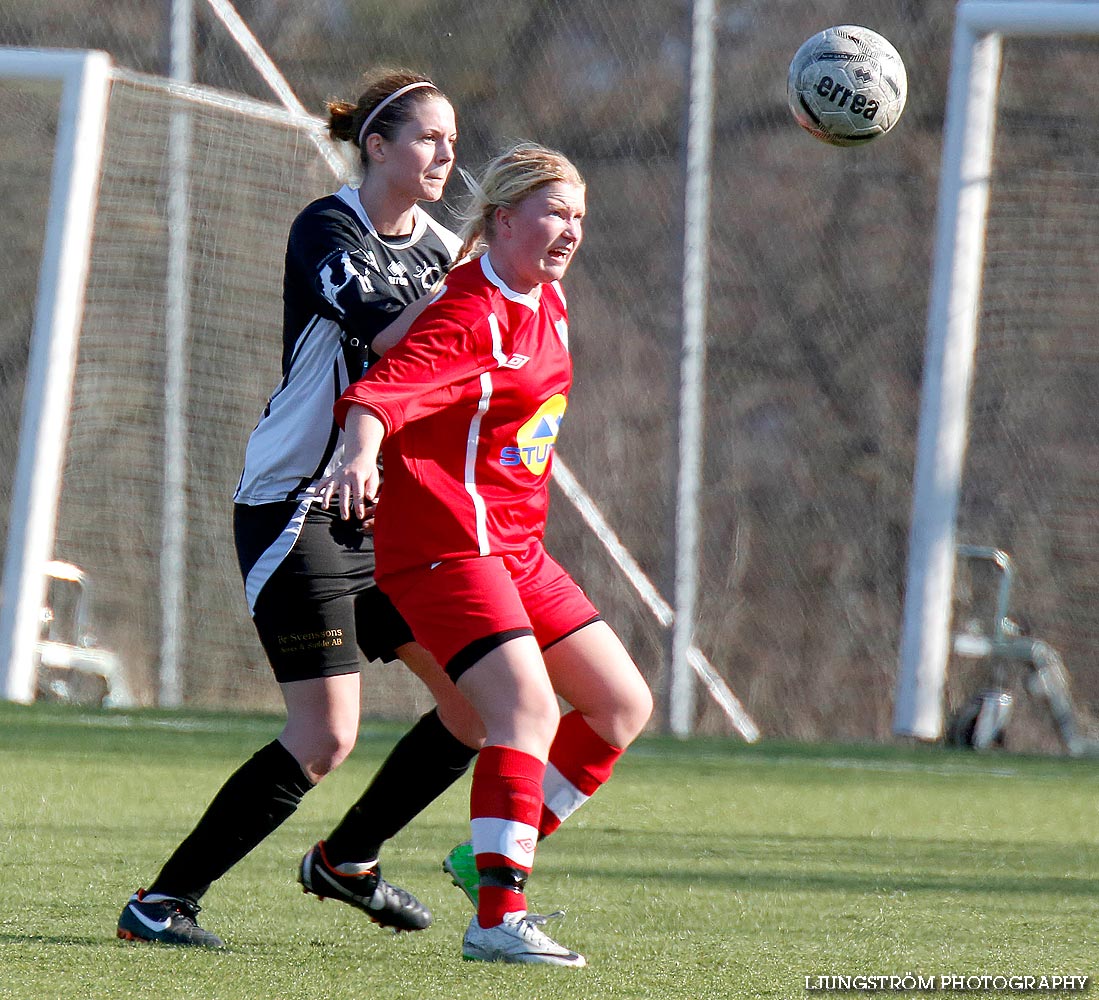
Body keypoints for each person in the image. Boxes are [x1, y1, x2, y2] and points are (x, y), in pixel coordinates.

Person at [117, 68, 485, 949]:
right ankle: (161, 904)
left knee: (476, 703)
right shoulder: (327, 226)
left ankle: (347, 859)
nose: (444, 155)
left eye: (454, 143)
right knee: (324, 736)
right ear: (378, 145)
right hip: (300, 504)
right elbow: (399, 339)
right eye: (428, 138)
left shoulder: (441, 249)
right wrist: (479, 299)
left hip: (387, 518)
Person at [324, 142, 654, 967]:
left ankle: (489, 857)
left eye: (579, 215)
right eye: (553, 212)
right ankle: (498, 916)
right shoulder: (471, 313)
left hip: (513, 546)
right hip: (444, 545)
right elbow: (378, 391)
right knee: (525, 713)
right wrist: (359, 454)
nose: (570, 229)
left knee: (618, 707)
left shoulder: (548, 299)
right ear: (503, 219)